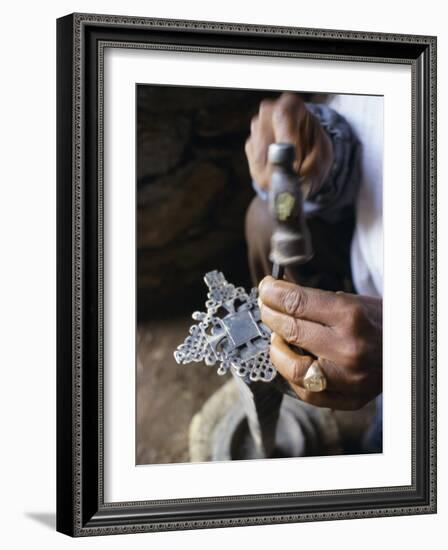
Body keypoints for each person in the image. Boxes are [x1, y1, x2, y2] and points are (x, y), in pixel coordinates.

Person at [244, 92, 383, 450]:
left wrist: (416, 346)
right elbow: (378, 149)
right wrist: (325, 154)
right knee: (263, 219)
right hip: (369, 261)